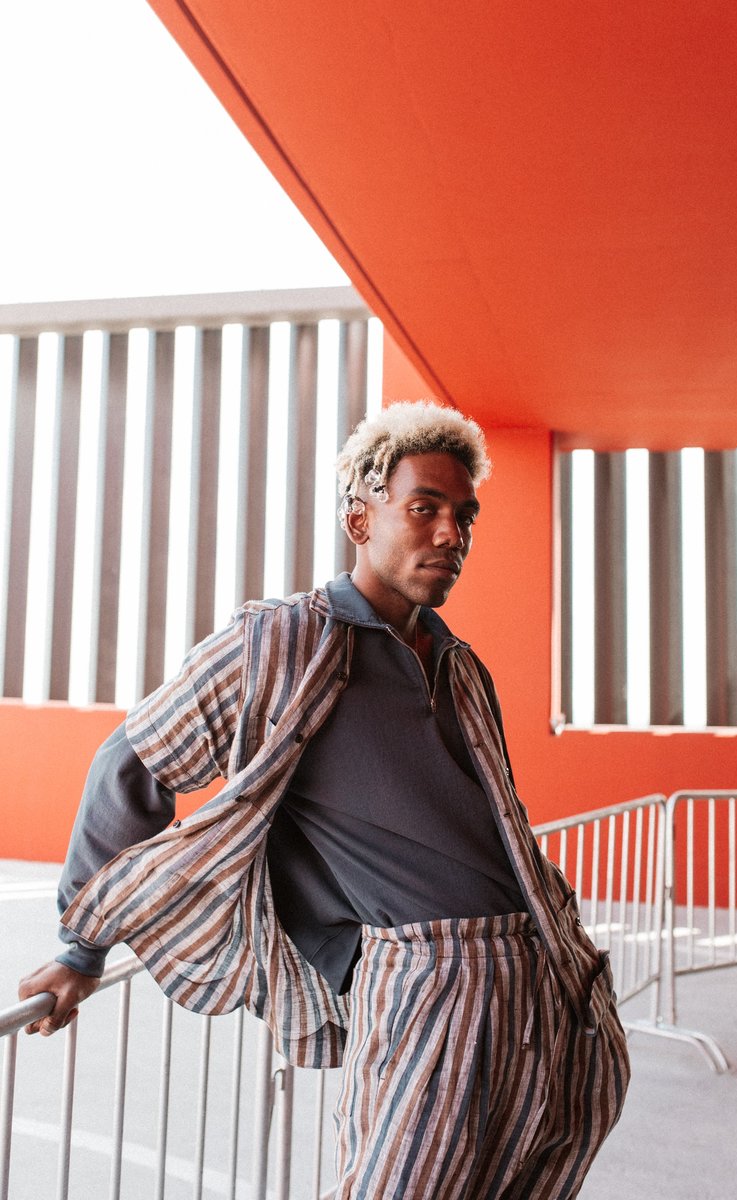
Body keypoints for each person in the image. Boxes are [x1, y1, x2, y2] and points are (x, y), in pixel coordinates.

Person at [19, 401, 629, 1198]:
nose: (451, 533)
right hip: (427, 981)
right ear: (359, 518)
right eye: (424, 508)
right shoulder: (281, 642)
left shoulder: (461, 667)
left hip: (543, 973)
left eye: (464, 515)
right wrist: (81, 949)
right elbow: (131, 764)